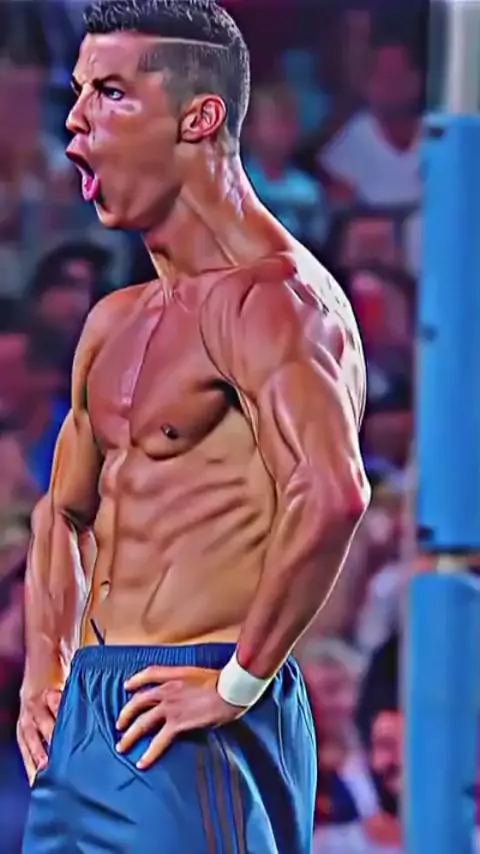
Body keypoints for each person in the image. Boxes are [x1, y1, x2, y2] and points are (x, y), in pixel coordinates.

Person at [18, 2, 370, 852]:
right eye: (77, 92)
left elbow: (332, 493)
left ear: (199, 117)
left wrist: (238, 683)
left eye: (110, 93)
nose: (75, 121)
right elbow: (63, 512)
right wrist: (44, 666)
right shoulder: (115, 320)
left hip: (198, 698)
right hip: (92, 707)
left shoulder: (276, 301)